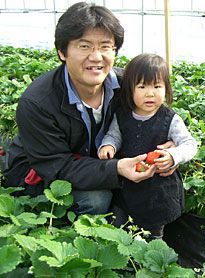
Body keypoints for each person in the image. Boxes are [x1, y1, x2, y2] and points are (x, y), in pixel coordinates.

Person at [3, 2, 175, 215]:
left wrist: (170, 150)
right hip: (43, 169)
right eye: (84, 46)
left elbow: (159, 116)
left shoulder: (128, 86)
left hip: (97, 160)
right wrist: (117, 168)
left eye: (105, 46)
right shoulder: (37, 103)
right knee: (97, 200)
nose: (96, 57)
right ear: (62, 52)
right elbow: (58, 167)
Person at [98, 53, 198, 238]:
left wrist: (174, 155)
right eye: (142, 86)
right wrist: (108, 146)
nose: (150, 93)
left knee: (154, 229)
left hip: (159, 190)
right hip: (128, 186)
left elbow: (190, 144)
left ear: (166, 88)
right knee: (120, 222)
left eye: (157, 86)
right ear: (130, 89)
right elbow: (113, 135)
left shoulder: (170, 119)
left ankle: (154, 256)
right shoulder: (122, 115)